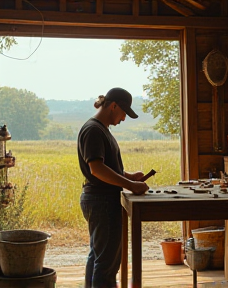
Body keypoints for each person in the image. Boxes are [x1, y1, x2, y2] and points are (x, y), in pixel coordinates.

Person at [77, 87, 149, 288]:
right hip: (102, 201)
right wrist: (130, 185)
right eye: (124, 113)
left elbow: (106, 166)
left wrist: (129, 175)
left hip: (101, 200)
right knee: (107, 264)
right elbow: (97, 169)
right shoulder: (94, 130)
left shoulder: (100, 129)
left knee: (98, 257)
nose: (124, 119)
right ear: (113, 106)